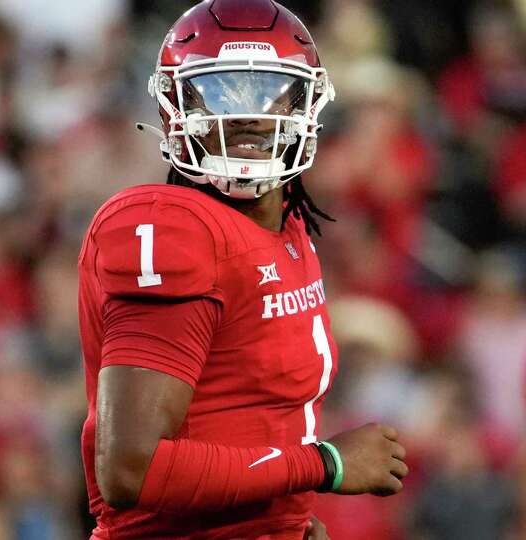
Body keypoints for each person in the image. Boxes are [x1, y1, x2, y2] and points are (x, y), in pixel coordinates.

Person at [77, 1, 409, 538]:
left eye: (269, 90)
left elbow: (243, 417)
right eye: (222, 90)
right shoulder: (170, 228)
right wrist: (324, 465)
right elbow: (130, 469)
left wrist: (288, 514)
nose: (251, 113)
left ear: (310, 102)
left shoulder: (289, 229)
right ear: (173, 106)